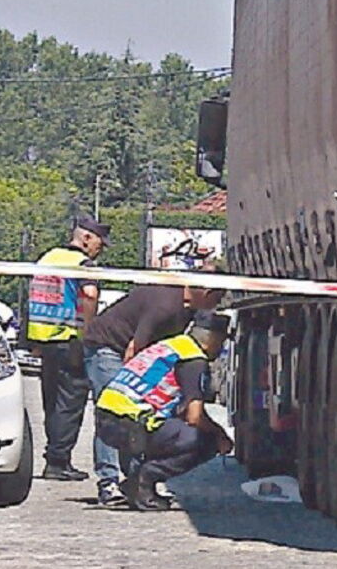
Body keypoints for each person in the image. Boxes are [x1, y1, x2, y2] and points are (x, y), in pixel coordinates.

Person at [82, 283, 223, 505]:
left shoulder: (175, 342)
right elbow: (194, 416)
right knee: (201, 439)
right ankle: (122, 482)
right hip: (111, 361)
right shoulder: (188, 350)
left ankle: (133, 483)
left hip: (109, 416)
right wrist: (220, 434)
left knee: (163, 425)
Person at [27, 214, 110, 481]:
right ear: (86, 237)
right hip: (69, 339)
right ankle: (58, 462)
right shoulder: (83, 264)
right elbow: (89, 294)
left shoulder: (47, 258)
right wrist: (89, 330)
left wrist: (32, 342)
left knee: (51, 402)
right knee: (70, 401)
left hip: (44, 338)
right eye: (99, 242)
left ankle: (54, 457)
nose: (100, 248)